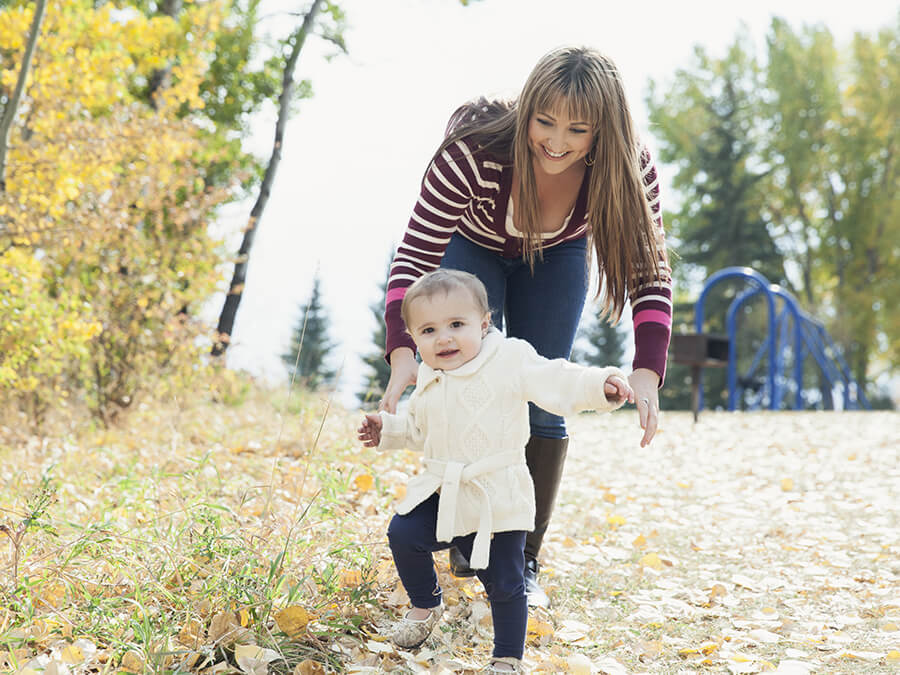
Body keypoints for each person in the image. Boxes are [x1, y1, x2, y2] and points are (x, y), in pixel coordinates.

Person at [379, 46, 672, 607]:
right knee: (469, 376)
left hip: (559, 255)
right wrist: (401, 354)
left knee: (544, 392)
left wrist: (647, 371)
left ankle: (521, 556)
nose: (557, 141)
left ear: (602, 131)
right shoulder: (474, 155)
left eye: (578, 129)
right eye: (545, 121)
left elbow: (648, 269)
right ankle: (466, 529)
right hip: (474, 243)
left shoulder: (628, 168)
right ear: (528, 110)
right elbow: (415, 255)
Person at [359, 269, 633, 673]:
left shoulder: (509, 358)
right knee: (403, 533)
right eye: (429, 330)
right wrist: (388, 429)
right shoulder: (431, 372)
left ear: (484, 324)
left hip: (497, 495)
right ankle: (425, 604)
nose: (444, 338)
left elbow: (556, 378)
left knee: (504, 582)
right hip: (444, 492)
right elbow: (420, 429)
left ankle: (507, 656)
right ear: (414, 339)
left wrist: (599, 385)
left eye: (457, 325)